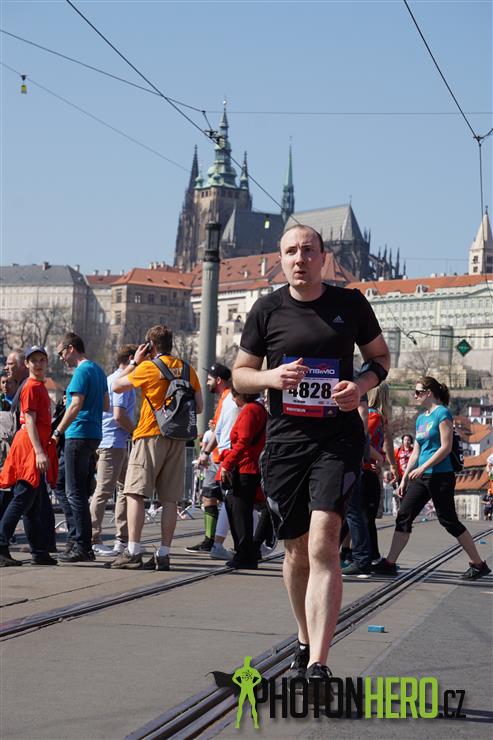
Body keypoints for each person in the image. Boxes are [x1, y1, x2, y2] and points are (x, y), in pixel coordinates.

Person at [233, 224, 390, 690]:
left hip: (337, 438)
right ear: (280, 260)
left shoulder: (350, 304)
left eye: (308, 250)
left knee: (324, 541)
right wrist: (270, 378)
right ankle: (303, 639)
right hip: (286, 442)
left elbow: (380, 358)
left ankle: (319, 664)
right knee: (296, 550)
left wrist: (359, 385)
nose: (299, 258)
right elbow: (241, 375)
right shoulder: (266, 310)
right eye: (291, 252)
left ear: (323, 257)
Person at [374, 376, 491, 580]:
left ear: (429, 393)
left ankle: (478, 563)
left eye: (418, 392)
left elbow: (446, 447)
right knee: (404, 515)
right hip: (421, 477)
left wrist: (424, 467)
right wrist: (404, 478)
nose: (415, 396)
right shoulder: (421, 419)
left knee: (449, 520)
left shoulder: (442, 413)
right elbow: (416, 451)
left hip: (440, 475)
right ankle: (390, 563)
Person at [110, 325, 203, 571]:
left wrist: (135, 362)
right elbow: (200, 407)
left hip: (150, 434)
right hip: (178, 438)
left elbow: (117, 386)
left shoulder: (148, 367)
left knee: (135, 493)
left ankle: (133, 551)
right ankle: (163, 553)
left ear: (150, 345)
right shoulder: (188, 369)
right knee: (170, 499)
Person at [0, 346, 58, 566]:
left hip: (32, 446)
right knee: (23, 497)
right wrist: (39, 452)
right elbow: (30, 420)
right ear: (27, 364)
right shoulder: (32, 387)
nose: (39, 364)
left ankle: (39, 551)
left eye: (42, 360)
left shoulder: (39, 386)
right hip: (30, 448)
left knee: (33, 502)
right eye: (34, 360)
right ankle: (1, 545)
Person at [54, 332, 109, 563]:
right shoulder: (98, 371)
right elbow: (106, 405)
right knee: (63, 485)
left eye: (61, 353)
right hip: (93, 434)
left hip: (77, 434)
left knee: (74, 491)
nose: (61, 358)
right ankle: (76, 538)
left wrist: (58, 431)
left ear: (71, 348)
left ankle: (82, 545)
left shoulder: (81, 371)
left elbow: (76, 405)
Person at [185, 364, 238, 557]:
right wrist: (206, 452)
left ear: (218, 380)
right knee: (209, 496)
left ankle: (233, 543)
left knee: (232, 501)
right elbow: (219, 428)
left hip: (224, 457)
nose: (207, 382)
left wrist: (208, 451)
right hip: (216, 456)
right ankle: (210, 540)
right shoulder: (224, 398)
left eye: (209, 379)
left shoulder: (231, 398)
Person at [90, 344, 137, 556]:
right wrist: (136, 432)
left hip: (115, 442)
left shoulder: (112, 378)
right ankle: (93, 537)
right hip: (113, 443)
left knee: (125, 489)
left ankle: (122, 538)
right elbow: (119, 415)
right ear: (131, 358)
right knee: (104, 491)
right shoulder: (122, 381)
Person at [220, 388, 267, 569]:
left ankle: (245, 553)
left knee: (240, 513)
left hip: (245, 467)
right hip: (249, 466)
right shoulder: (257, 408)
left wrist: (227, 464)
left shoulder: (250, 410)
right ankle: (248, 551)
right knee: (241, 511)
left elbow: (243, 441)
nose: (233, 400)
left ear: (241, 394)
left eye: (234, 396)